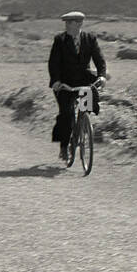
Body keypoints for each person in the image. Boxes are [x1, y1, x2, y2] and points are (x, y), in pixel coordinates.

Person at [47, 10, 108, 163]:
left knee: (86, 107)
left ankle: (82, 128)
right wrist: (56, 81)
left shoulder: (90, 39)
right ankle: (64, 146)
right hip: (64, 84)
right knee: (66, 115)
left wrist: (101, 75)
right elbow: (53, 63)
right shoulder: (60, 40)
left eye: (70, 22)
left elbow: (99, 59)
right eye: (66, 23)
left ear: (79, 24)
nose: (66, 25)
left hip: (83, 81)